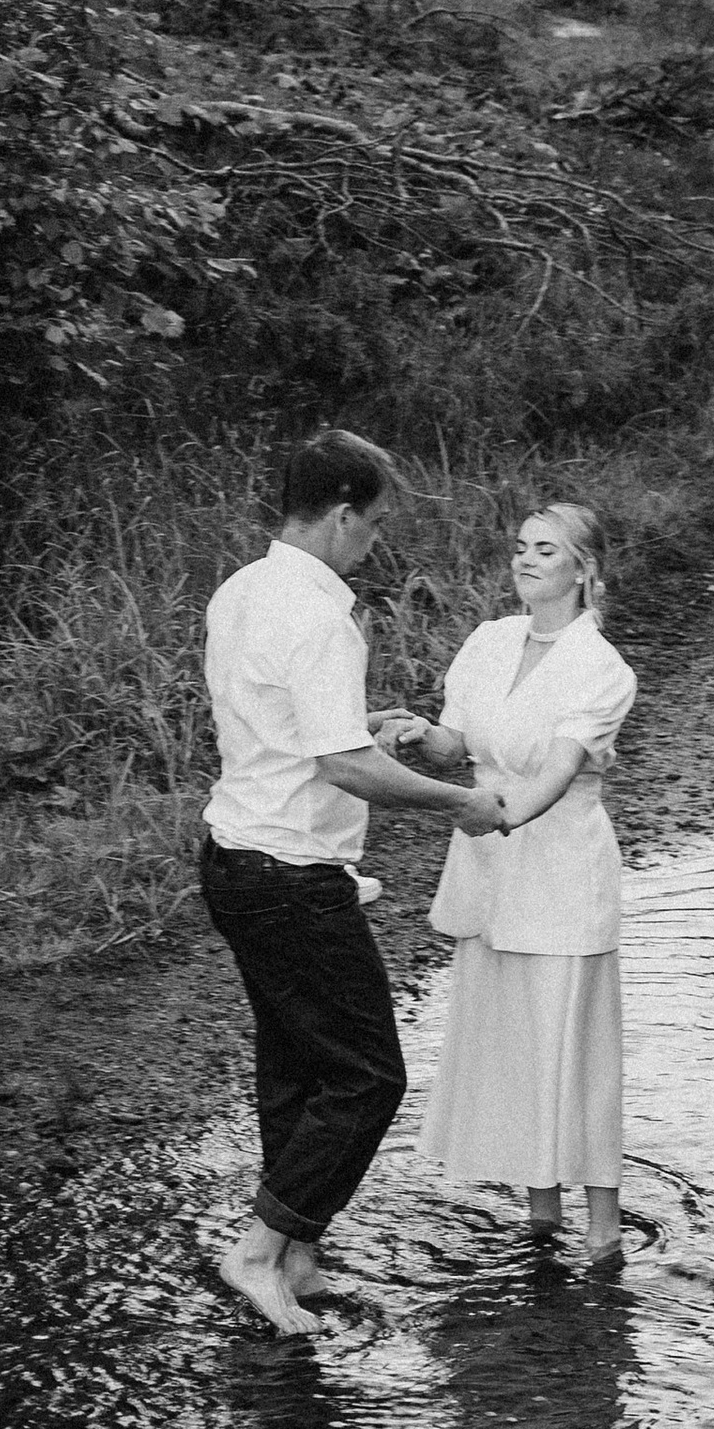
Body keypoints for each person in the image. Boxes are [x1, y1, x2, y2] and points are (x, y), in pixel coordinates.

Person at [199, 428, 519, 1336]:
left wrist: (361, 724)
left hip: (234, 855)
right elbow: (343, 770)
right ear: (341, 515)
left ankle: (296, 1257)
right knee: (370, 1077)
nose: (374, 542)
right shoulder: (318, 616)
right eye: (374, 525)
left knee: (298, 1063)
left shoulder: (243, 589)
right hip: (290, 874)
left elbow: (280, 723)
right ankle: (260, 1252)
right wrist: (458, 800)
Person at [400, 500, 636, 1269]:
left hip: (562, 872)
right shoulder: (490, 641)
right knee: (512, 1042)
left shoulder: (601, 670)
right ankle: (541, 1219)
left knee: (573, 1046)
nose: (525, 561)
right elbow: (459, 743)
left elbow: (560, 771)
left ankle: (602, 1230)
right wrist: (417, 738)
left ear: (583, 568)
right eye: (521, 549)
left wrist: (491, 815)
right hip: (492, 870)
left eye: (545, 550)